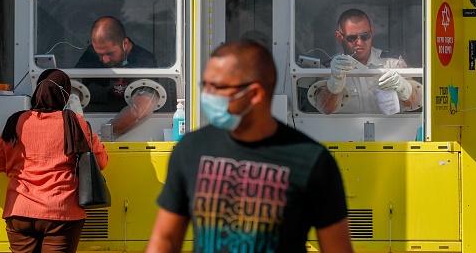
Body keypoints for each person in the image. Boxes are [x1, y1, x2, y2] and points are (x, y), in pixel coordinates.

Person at [146, 40, 353, 253]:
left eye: (217, 87)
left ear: (255, 94)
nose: (207, 96)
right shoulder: (190, 149)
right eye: (205, 85)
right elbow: (165, 240)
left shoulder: (312, 160)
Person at [0, 69, 108, 253]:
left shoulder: (16, 121)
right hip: (61, 212)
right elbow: (100, 161)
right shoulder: (74, 122)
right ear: (65, 96)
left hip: (20, 210)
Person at [313, 9, 422, 115]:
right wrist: (335, 81)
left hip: (392, 129)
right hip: (343, 131)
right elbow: (325, 109)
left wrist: (402, 86)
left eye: (365, 36)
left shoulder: (392, 62)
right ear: (339, 37)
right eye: (352, 37)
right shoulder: (330, 69)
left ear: (372, 32)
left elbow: (415, 103)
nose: (359, 42)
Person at [75, 16, 159, 137]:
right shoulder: (90, 55)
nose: (104, 60)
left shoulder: (144, 61)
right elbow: (74, 86)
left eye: (110, 53)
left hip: (132, 132)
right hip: (89, 122)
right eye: (100, 54)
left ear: (125, 43)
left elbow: (140, 109)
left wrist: (103, 136)